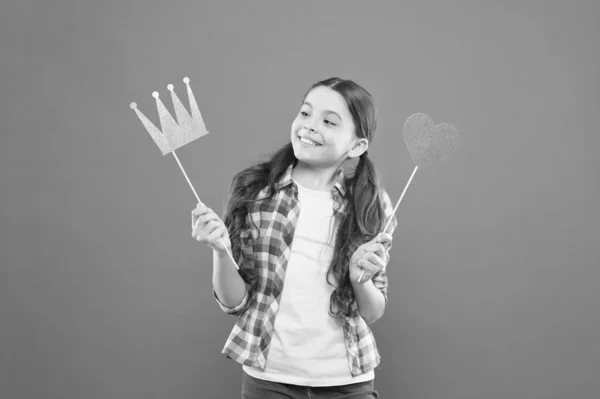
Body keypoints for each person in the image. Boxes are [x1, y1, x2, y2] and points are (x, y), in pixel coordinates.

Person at [191, 77, 398, 398]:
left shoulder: (371, 204)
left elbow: (372, 312)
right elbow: (235, 304)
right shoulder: (256, 192)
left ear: (356, 145)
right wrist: (220, 251)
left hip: (346, 382)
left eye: (328, 121)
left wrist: (360, 279)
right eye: (305, 113)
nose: (309, 126)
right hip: (268, 379)